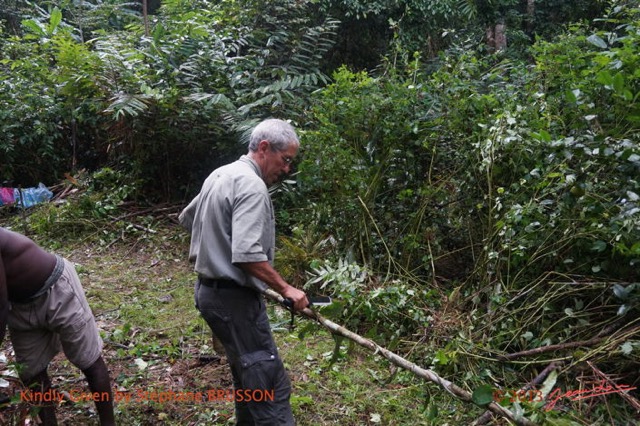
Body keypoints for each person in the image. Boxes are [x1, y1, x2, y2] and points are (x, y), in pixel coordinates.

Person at [180, 118, 309, 425]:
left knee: (248, 378)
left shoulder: (221, 173)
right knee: (269, 384)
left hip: (209, 293)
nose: (287, 169)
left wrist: (214, 246)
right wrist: (286, 288)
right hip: (233, 301)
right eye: (286, 159)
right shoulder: (252, 184)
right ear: (264, 148)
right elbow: (247, 254)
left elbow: (187, 217)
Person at [0, 227, 115, 426]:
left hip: (57, 290)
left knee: (89, 362)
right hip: (20, 307)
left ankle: (108, 423)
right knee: (32, 373)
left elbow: (0, 304)